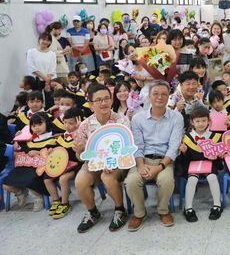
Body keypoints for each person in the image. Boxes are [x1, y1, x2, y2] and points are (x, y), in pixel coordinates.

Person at [126, 80, 184, 231]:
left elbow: (173, 148)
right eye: (155, 94)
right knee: (131, 181)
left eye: (164, 94)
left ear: (168, 96)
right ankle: (139, 213)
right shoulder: (138, 119)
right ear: (149, 97)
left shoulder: (176, 118)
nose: (160, 97)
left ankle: (163, 210)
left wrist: (159, 167)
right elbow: (137, 145)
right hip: (143, 158)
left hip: (164, 159)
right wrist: (140, 165)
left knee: (167, 181)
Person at [74, 83, 130, 233]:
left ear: (112, 101)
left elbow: (126, 148)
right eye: (99, 100)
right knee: (80, 180)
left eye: (107, 98)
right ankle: (93, 212)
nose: (104, 103)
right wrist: (79, 151)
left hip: (117, 162)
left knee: (108, 176)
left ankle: (120, 210)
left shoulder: (122, 121)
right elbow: (80, 156)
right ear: (91, 104)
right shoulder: (85, 126)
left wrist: (109, 161)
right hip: (93, 163)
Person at [2, 112, 57, 211]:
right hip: (25, 166)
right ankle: (20, 193)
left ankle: (38, 197)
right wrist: (17, 139)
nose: (36, 128)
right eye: (33, 125)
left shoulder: (53, 138)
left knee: (29, 181)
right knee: (6, 184)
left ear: (47, 124)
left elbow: (54, 154)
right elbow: (22, 149)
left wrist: (38, 152)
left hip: (41, 168)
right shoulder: (30, 140)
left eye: (40, 124)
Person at [179, 106, 223, 222]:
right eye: (197, 121)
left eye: (204, 120)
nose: (201, 124)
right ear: (192, 122)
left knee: (213, 177)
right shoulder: (187, 138)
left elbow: (220, 155)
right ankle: (188, 208)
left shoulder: (215, 136)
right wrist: (184, 152)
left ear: (209, 121)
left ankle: (217, 205)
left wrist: (217, 156)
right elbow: (187, 159)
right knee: (192, 180)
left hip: (210, 164)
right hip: (194, 165)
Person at [45, 107, 84, 219]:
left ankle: (65, 203)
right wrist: (51, 151)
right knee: (47, 179)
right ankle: (56, 200)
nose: (67, 126)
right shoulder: (62, 136)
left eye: (70, 123)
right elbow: (57, 149)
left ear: (78, 122)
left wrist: (79, 129)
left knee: (63, 178)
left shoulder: (81, 135)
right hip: (62, 165)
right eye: (65, 122)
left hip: (76, 165)